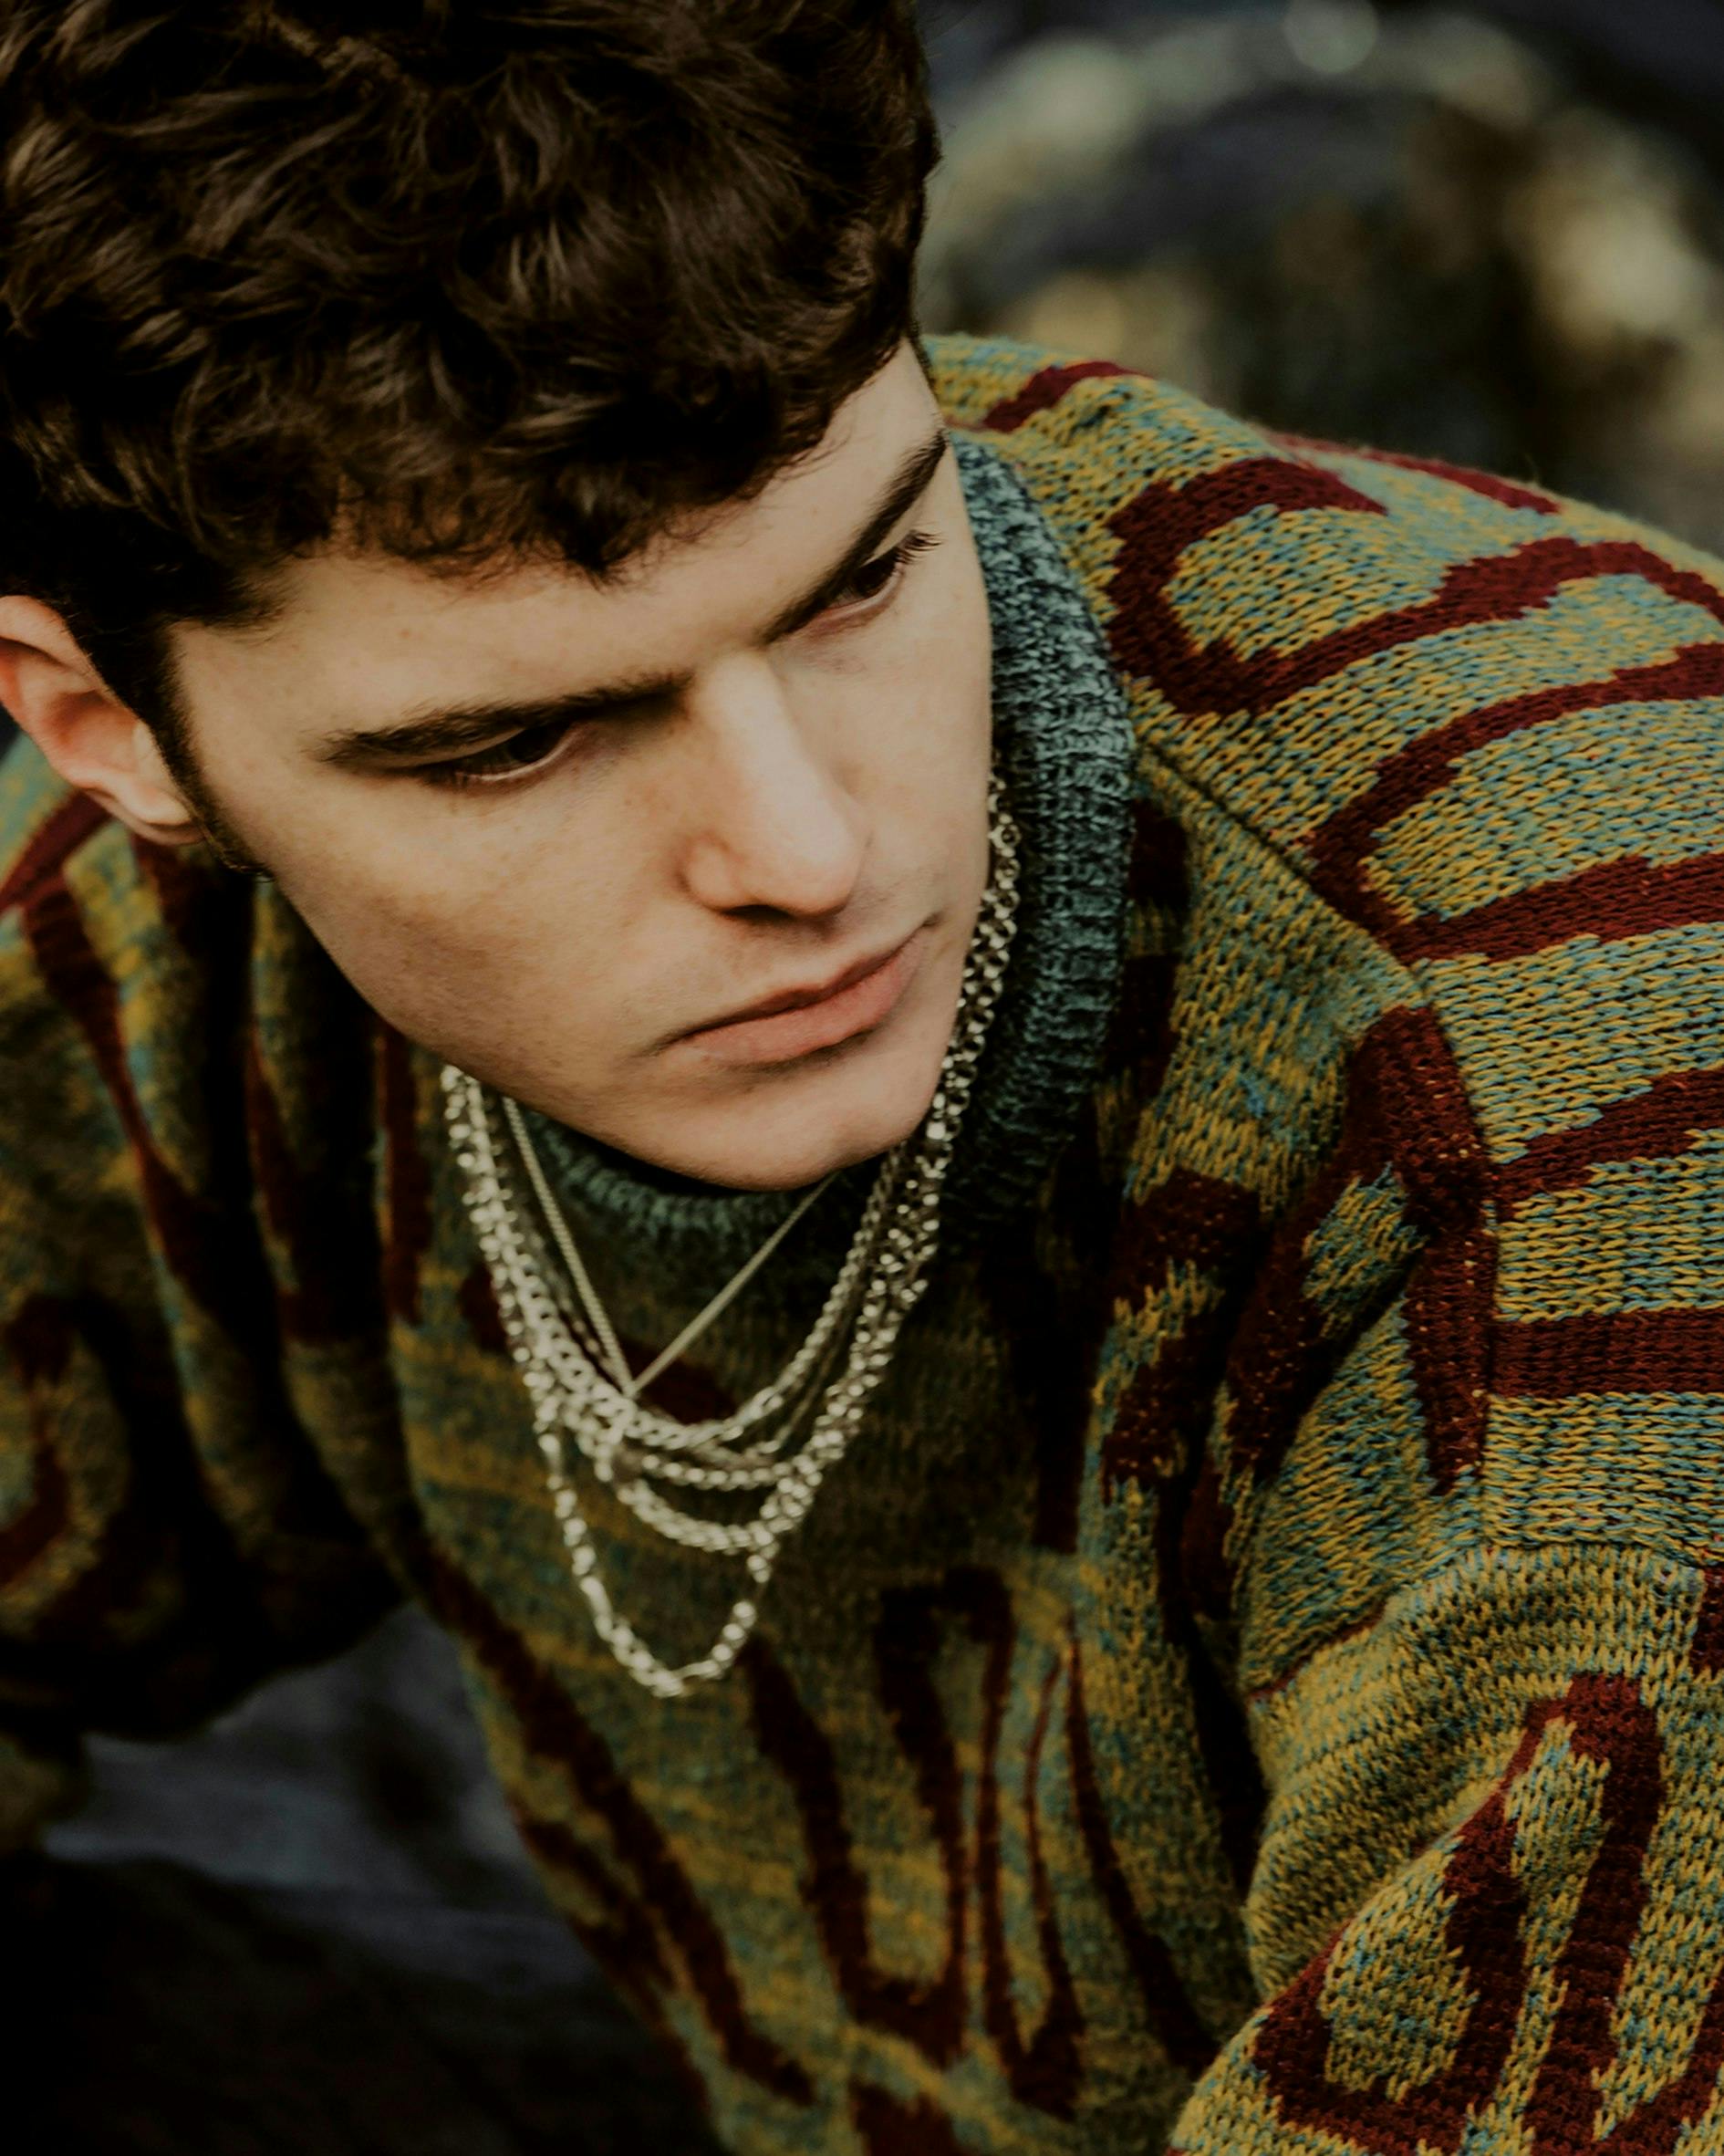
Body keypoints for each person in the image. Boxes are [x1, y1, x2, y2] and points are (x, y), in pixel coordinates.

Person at [1, 4, 1720, 2151]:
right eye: (517, 745)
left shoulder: (1585, 1162)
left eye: (865, 580)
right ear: (115, 736)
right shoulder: (173, 923)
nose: (807, 851)